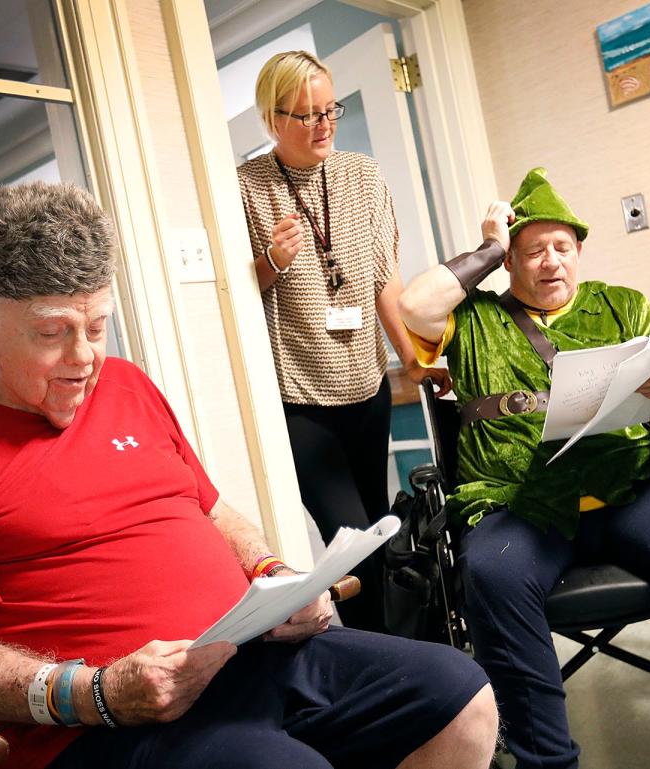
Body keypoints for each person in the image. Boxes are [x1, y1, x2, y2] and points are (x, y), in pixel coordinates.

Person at [0, 182, 497, 769]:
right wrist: (95, 692)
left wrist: (275, 577)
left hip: (252, 655)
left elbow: (209, 510)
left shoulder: (127, 385)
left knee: (459, 693)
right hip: (109, 723)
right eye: (50, 333)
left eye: (97, 327)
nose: (83, 358)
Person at [398, 167, 650, 769]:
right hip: (516, 498)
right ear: (510, 259)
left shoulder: (623, 305)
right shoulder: (473, 319)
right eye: (532, 251)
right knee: (494, 574)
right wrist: (486, 245)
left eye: (562, 248)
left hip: (627, 482)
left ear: (580, 251)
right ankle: (548, 762)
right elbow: (412, 303)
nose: (550, 262)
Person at [236, 51, 450, 633]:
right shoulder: (245, 188)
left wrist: (410, 357)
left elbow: (385, 279)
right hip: (299, 396)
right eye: (307, 115)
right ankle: (385, 657)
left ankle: (402, 655)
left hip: (365, 384)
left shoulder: (363, 176)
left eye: (332, 109)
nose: (324, 124)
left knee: (380, 527)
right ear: (271, 118)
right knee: (349, 539)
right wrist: (272, 262)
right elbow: (230, 299)